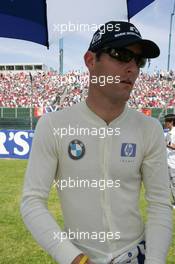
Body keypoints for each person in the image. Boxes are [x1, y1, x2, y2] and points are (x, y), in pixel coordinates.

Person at [20, 21, 173, 264]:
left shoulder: (149, 128)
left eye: (139, 60)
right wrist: (77, 260)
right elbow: (31, 202)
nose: (132, 67)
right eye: (121, 55)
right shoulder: (53, 125)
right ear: (90, 61)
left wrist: (155, 260)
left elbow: (160, 204)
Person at [164, 114, 175, 208]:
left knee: (174, 183)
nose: (165, 123)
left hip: (173, 162)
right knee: (167, 183)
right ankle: (169, 201)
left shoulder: (174, 133)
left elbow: (174, 146)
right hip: (167, 161)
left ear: (171, 122)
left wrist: (165, 144)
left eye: (166, 122)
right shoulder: (168, 132)